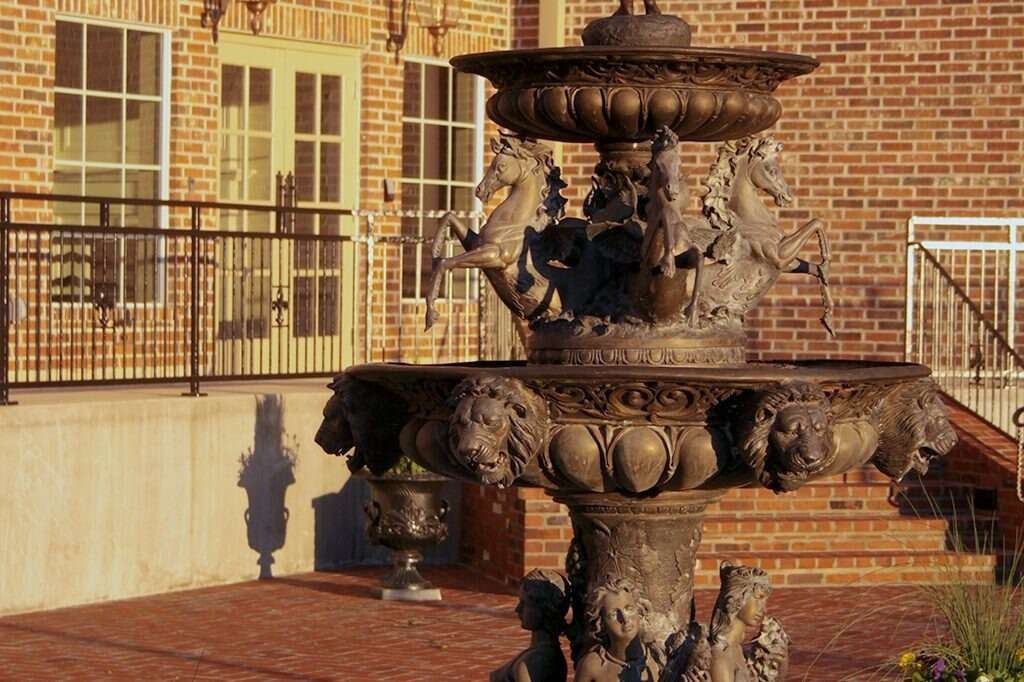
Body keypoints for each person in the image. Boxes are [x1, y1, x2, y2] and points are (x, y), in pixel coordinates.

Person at [490, 569, 570, 682]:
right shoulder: (544, 654)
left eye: (525, 603)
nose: (517, 609)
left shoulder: (535, 662)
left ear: (544, 608)